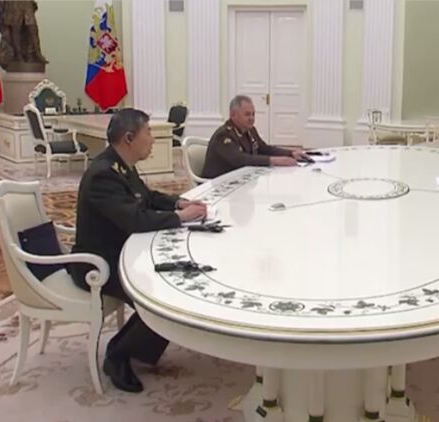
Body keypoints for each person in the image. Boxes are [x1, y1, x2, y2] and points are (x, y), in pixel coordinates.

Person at [69, 108, 207, 392]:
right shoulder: (103, 175)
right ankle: (117, 356)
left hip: (123, 251)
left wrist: (177, 203)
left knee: (180, 282)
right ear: (129, 138)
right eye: (149, 133)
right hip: (99, 263)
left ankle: (139, 346)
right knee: (163, 298)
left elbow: (146, 197)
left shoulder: (119, 165)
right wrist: (181, 217)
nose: (153, 139)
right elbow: (135, 219)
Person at [201, 95, 310, 179]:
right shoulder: (224, 135)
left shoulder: (250, 130)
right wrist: (274, 161)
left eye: (253, 114)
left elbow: (264, 149)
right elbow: (240, 159)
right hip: (220, 185)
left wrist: (290, 153)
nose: (252, 118)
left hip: (241, 179)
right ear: (233, 114)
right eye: (247, 114)